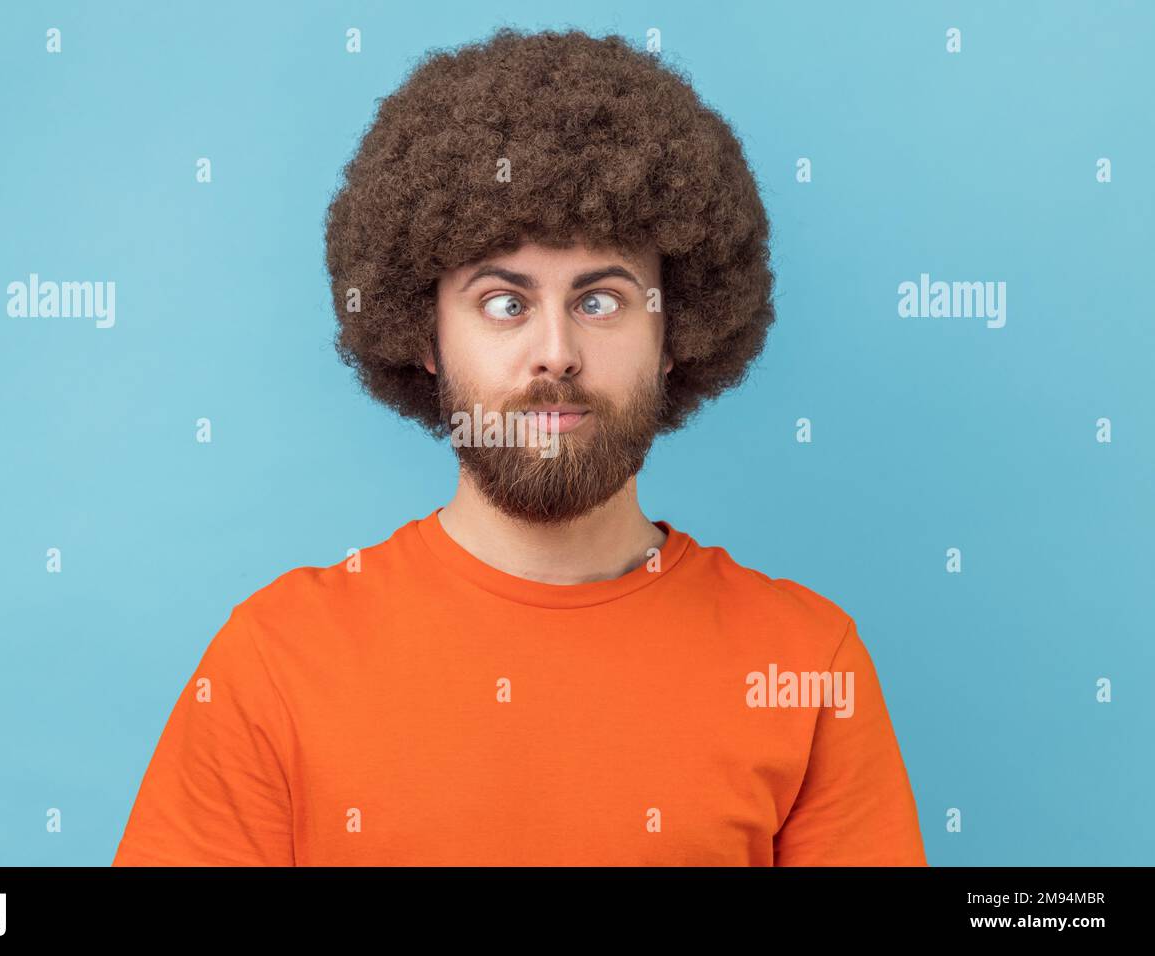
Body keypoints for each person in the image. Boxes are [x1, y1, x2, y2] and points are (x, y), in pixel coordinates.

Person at [112, 27, 926, 866]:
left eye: (602, 301)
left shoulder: (804, 664)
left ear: (675, 333)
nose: (556, 351)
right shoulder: (274, 661)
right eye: (504, 303)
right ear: (425, 339)